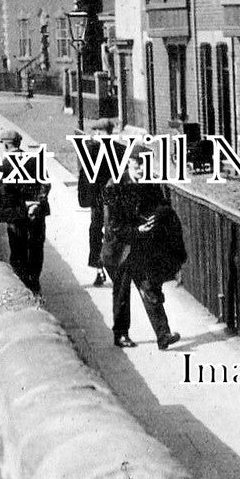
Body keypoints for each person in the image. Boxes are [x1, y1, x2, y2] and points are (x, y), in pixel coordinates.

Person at [100, 143, 184, 350]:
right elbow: (114, 226)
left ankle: (163, 335)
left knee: (149, 288)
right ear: (129, 163)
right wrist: (138, 230)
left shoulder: (150, 184)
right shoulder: (114, 186)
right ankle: (120, 335)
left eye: (145, 165)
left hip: (140, 249)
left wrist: (155, 217)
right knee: (121, 293)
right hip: (119, 250)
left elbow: (163, 207)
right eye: (138, 165)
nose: (142, 170)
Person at [0, 129, 51, 295]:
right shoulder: (34, 160)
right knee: (36, 247)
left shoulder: (5, 165)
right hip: (36, 213)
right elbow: (45, 184)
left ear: (7, 144)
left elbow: (1, 193)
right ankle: (35, 281)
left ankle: (24, 284)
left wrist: (2, 214)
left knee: (18, 250)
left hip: (17, 216)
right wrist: (36, 204)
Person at [77, 118, 122, 287]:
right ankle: (101, 267)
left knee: (104, 232)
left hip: (108, 200)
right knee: (100, 232)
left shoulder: (100, 151)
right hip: (102, 201)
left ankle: (105, 267)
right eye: (94, 132)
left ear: (108, 133)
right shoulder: (96, 150)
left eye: (99, 132)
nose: (95, 135)